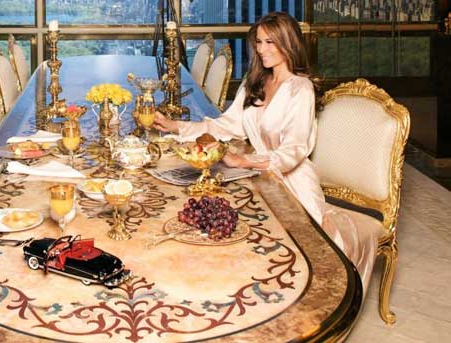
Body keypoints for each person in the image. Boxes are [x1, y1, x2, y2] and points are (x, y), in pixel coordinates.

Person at [154, 12, 378, 290]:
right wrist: (175, 126)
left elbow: (294, 151)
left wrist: (242, 160)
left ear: (289, 43)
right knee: (209, 211)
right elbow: (228, 124)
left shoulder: (300, 89)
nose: (262, 49)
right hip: (255, 173)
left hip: (292, 182)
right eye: (259, 42)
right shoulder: (255, 82)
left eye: (271, 42)